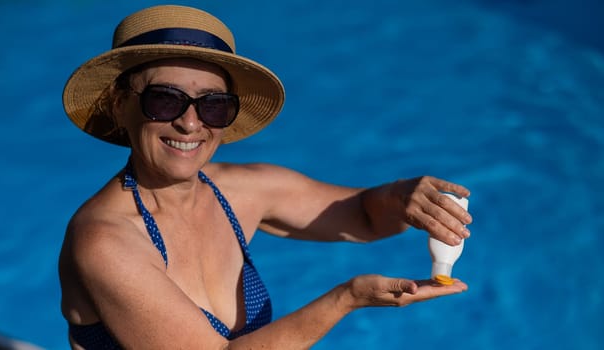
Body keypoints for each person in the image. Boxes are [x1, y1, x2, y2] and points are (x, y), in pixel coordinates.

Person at [58, 5, 472, 349]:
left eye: (213, 105)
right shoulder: (105, 239)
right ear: (119, 106)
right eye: (164, 100)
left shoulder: (243, 190)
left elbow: (363, 217)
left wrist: (405, 197)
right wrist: (346, 299)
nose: (189, 123)